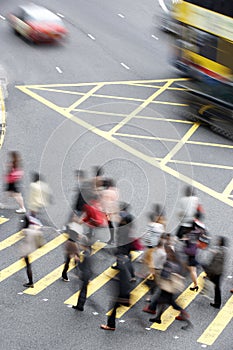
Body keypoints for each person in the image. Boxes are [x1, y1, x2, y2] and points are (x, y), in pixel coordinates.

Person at [100, 254, 131, 331]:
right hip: (122, 294)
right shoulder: (125, 271)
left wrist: (120, 297)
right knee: (114, 308)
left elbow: (123, 285)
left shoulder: (123, 273)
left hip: (121, 295)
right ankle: (111, 324)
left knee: (113, 309)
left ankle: (111, 325)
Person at [202, 236, 227, 309]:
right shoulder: (222, 250)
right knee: (216, 287)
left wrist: (209, 271)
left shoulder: (220, 252)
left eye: (219, 241)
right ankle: (217, 302)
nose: (217, 242)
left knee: (216, 288)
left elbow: (215, 264)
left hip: (216, 273)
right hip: (218, 272)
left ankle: (217, 303)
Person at [20, 214, 44, 287]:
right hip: (31, 248)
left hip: (26, 250)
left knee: (28, 266)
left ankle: (30, 282)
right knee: (28, 265)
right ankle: (30, 282)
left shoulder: (26, 231)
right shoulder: (34, 229)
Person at [72, 236, 93, 311]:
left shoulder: (86, 255)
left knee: (83, 291)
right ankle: (80, 305)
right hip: (88, 274)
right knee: (83, 290)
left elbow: (82, 266)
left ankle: (80, 306)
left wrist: (77, 260)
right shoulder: (88, 252)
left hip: (85, 274)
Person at [100, 178, 120, 245]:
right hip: (113, 210)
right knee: (111, 224)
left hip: (107, 211)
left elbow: (102, 201)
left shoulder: (104, 192)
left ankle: (112, 239)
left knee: (110, 224)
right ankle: (113, 238)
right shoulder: (115, 191)